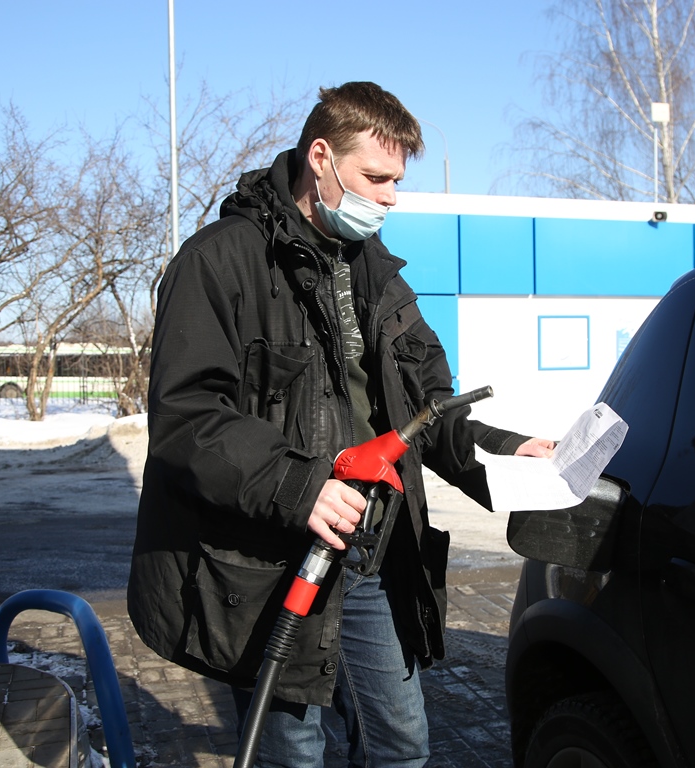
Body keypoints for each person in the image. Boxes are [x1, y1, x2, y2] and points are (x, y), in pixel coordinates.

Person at [127, 81, 553, 767]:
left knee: (402, 745)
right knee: (292, 754)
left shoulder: (380, 275)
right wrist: (301, 488)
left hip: (370, 554)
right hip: (268, 561)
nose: (389, 197)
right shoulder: (219, 262)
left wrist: (510, 453)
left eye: (395, 182)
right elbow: (187, 419)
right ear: (320, 156)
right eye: (376, 178)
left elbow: (427, 408)